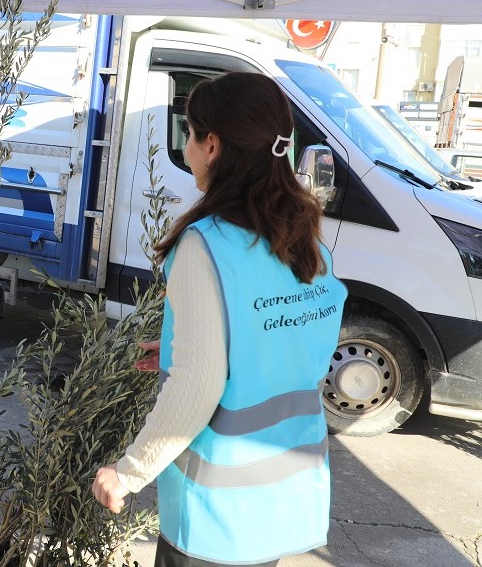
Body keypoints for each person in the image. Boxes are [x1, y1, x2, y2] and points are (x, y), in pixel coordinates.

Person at [92, 72, 347, 566]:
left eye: (188, 133)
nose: (186, 147)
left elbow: (197, 386)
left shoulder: (204, 244)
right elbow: (281, 341)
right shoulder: (303, 238)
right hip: (284, 488)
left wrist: (127, 472)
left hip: (216, 513)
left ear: (212, 145)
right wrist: (176, 349)